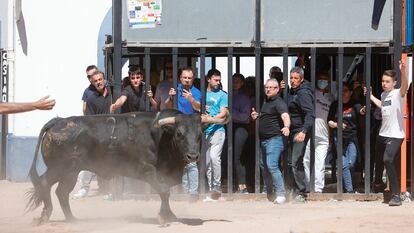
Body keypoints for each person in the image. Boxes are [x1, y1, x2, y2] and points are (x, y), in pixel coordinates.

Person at [367, 61, 408, 206]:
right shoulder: (384, 94)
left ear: (394, 82)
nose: (384, 84)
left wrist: (403, 70)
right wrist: (371, 97)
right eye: (383, 81)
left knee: (388, 160)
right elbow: (383, 104)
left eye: (387, 81)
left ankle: (396, 195)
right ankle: (378, 183)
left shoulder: (398, 94)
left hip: (395, 135)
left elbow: (404, 87)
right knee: (378, 160)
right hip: (383, 134)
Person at [251, 79, 290, 204]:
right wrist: (256, 116)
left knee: (272, 165)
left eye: (272, 87)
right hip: (264, 140)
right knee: (265, 167)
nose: (268, 89)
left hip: (275, 139)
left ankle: (281, 194)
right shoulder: (266, 101)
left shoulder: (278, 102)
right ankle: (270, 192)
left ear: (277, 89)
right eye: (267, 87)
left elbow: (285, 115)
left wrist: (287, 126)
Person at [165, 67, 201, 202]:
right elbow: (167, 106)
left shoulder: (196, 92)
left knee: (191, 162)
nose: (187, 80)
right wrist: (170, 97)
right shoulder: (175, 90)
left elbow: (198, 108)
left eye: (189, 78)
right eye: (184, 77)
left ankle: (193, 193)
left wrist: (191, 99)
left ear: (193, 79)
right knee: (178, 162)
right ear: (180, 78)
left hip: (191, 131)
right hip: (178, 132)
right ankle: (185, 192)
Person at [328, 82, 365, 193]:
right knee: (343, 164)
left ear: (350, 92)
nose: (343, 93)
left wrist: (364, 110)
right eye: (341, 90)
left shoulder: (355, 104)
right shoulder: (335, 104)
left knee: (351, 163)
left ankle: (344, 185)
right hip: (338, 137)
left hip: (352, 138)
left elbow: (361, 111)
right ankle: (349, 190)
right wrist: (336, 125)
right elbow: (329, 121)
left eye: (345, 90)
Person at [287, 67, 315, 202]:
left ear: (302, 79)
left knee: (296, 161)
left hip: (300, 131)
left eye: (295, 78)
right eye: (291, 78)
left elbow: (310, 114)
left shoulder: (303, 93)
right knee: (290, 161)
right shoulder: (293, 91)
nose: (292, 81)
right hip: (292, 131)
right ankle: (292, 190)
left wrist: (304, 131)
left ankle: (302, 193)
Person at [303, 72, 335, 193]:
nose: (323, 82)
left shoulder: (331, 97)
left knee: (320, 163)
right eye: (320, 79)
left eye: (325, 79)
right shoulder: (312, 93)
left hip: (324, 135)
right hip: (310, 134)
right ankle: (307, 186)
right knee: (306, 160)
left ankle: (318, 189)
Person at [74, 65, 99, 199]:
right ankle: (84, 188)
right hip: (92, 129)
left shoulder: (106, 88)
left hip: (107, 129)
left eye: (93, 74)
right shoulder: (87, 92)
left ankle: (106, 189)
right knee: (88, 157)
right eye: (89, 76)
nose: (91, 78)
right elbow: (84, 110)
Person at [204, 68, 228, 201]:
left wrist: (210, 119)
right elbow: (197, 107)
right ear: (209, 79)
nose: (218, 82)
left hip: (218, 130)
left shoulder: (223, 95)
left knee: (214, 157)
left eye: (219, 80)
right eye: (216, 80)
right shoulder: (202, 94)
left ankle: (217, 186)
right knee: (207, 162)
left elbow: (223, 113)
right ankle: (210, 189)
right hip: (205, 131)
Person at [231, 73, 251, 194]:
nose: (235, 83)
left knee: (237, 158)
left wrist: (230, 112)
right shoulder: (228, 95)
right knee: (228, 157)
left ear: (242, 83)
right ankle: (233, 184)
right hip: (230, 128)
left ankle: (242, 186)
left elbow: (245, 117)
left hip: (240, 129)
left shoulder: (245, 98)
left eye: (238, 81)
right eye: (233, 81)